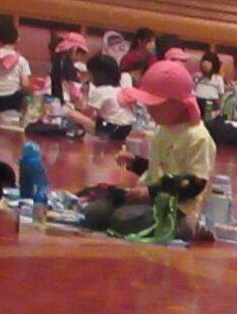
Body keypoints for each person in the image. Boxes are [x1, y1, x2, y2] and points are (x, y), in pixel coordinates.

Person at [83, 59, 215, 238]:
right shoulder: (164, 129)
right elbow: (160, 169)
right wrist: (136, 163)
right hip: (150, 200)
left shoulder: (197, 137)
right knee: (95, 212)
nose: (149, 110)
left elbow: (195, 184)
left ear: (178, 104)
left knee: (123, 221)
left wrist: (150, 192)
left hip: (176, 209)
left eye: (155, 106)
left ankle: (189, 227)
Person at [0, 20, 33, 126]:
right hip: (11, 99)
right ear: (17, 39)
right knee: (10, 126)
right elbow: (25, 84)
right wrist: (32, 91)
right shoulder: (21, 61)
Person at [83, 53, 137, 141]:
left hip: (111, 127)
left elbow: (86, 112)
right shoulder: (119, 89)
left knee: (73, 115)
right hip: (127, 127)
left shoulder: (100, 91)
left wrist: (85, 94)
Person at [191, 51, 227, 116]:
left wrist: (219, 110)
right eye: (204, 61)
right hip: (197, 103)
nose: (205, 64)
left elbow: (221, 96)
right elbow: (191, 90)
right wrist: (194, 79)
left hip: (211, 104)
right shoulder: (197, 76)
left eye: (209, 62)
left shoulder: (218, 79)